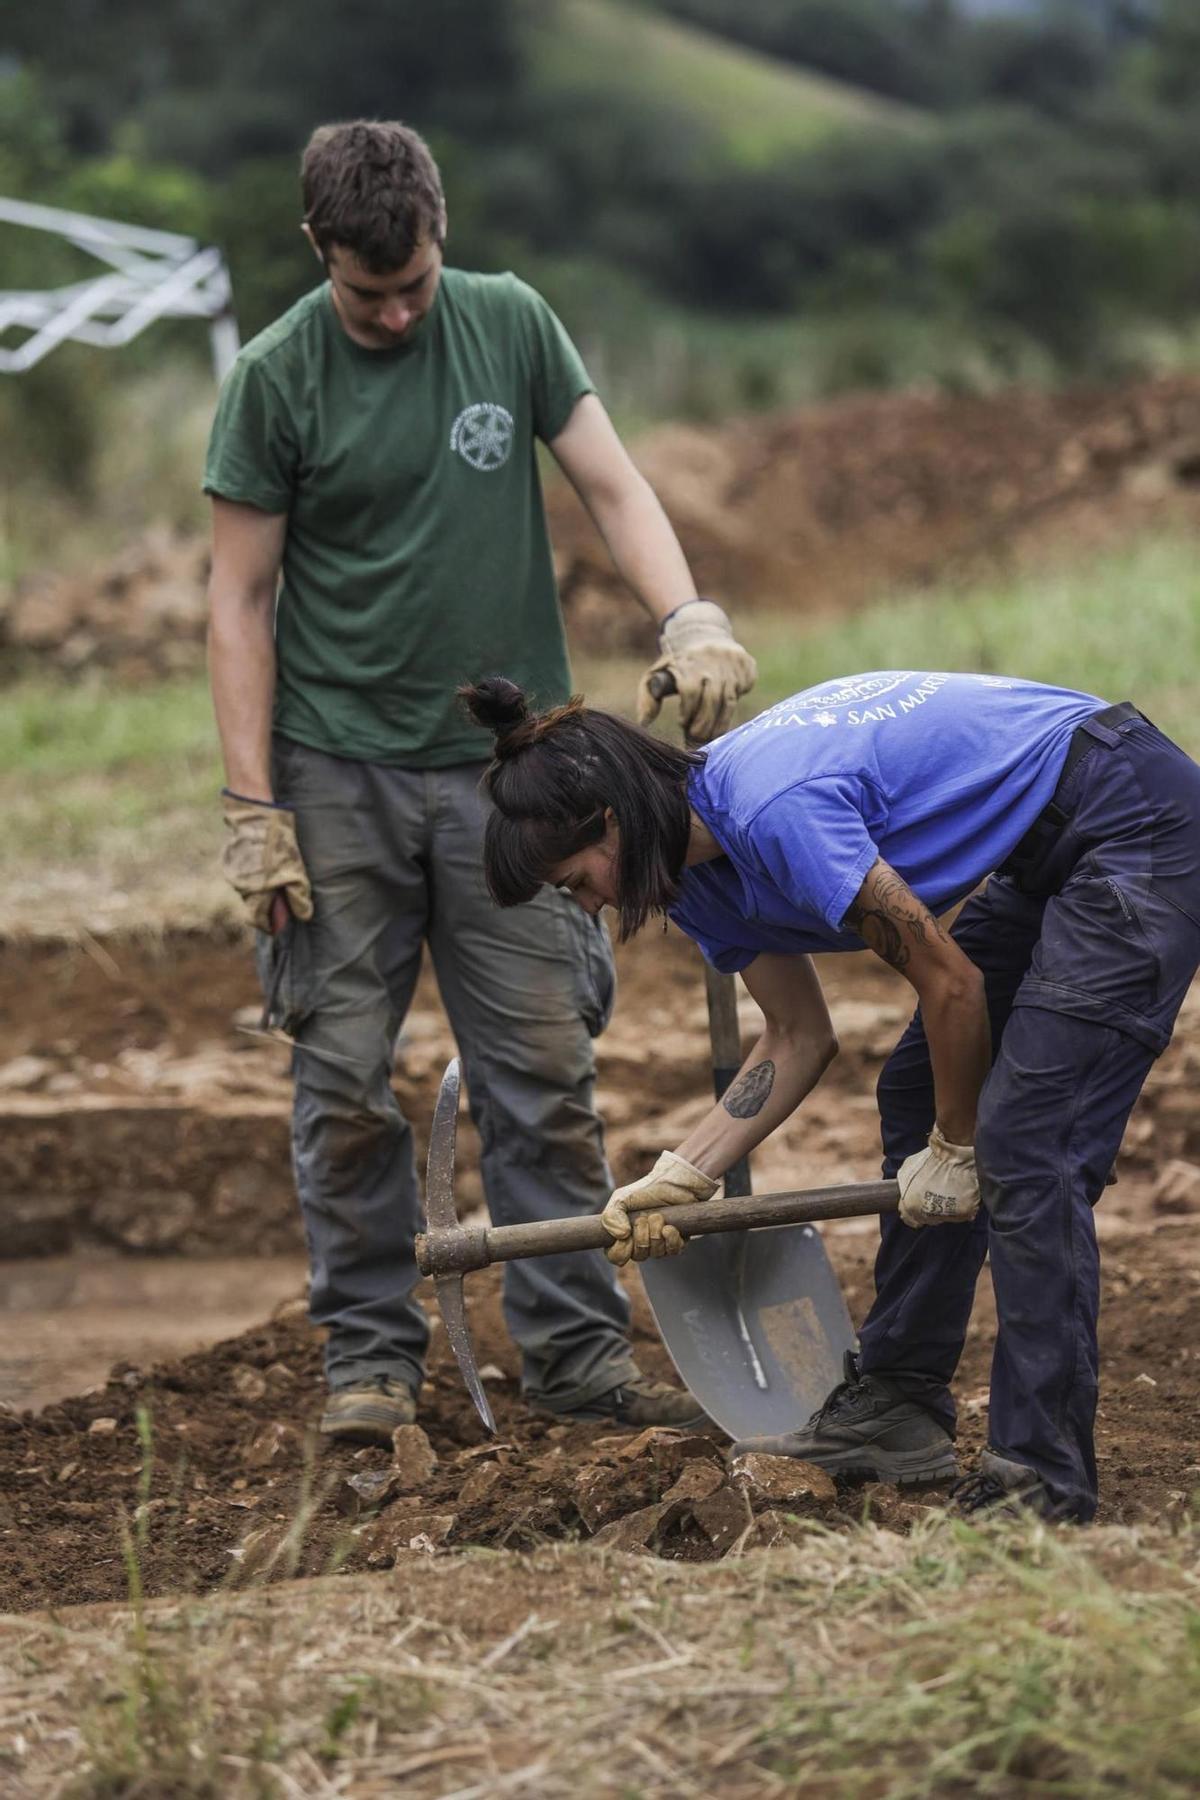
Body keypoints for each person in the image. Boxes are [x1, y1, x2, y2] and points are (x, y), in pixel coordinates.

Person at [204, 119, 757, 1446]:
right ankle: (371, 1370)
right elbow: (236, 599)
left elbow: (615, 488)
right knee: (341, 1083)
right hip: (336, 777)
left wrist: (687, 615)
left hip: (513, 779)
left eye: (413, 284)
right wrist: (249, 807)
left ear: (441, 233)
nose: (395, 311)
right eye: (365, 290)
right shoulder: (277, 377)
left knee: (544, 1072)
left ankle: (574, 1361)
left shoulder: (507, 323)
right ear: (317, 252)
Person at [462, 669, 1200, 1522]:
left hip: (1136, 815)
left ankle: (1039, 1476)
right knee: (920, 1088)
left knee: (1028, 1139)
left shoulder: (777, 810)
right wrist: (685, 1172)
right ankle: (898, 1402)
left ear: (612, 820)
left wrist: (959, 1151)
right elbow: (797, 1036)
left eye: (577, 882)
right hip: (1046, 851)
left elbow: (951, 987)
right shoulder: (695, 882)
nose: (591, 907)